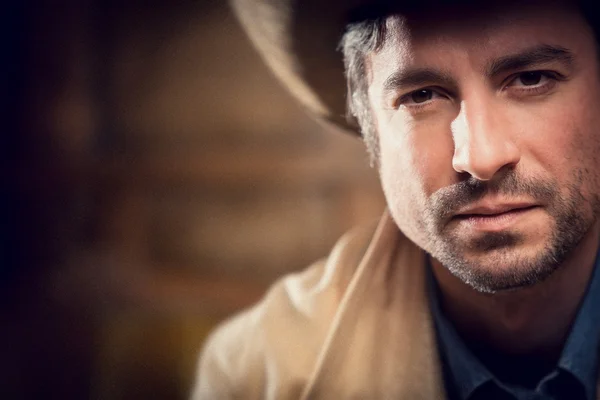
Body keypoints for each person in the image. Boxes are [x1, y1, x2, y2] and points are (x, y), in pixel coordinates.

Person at [192, 0, 600, 398]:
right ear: (370, 131)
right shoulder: (257, 373)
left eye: (531, 79)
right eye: (421, 95)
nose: (480, 158)